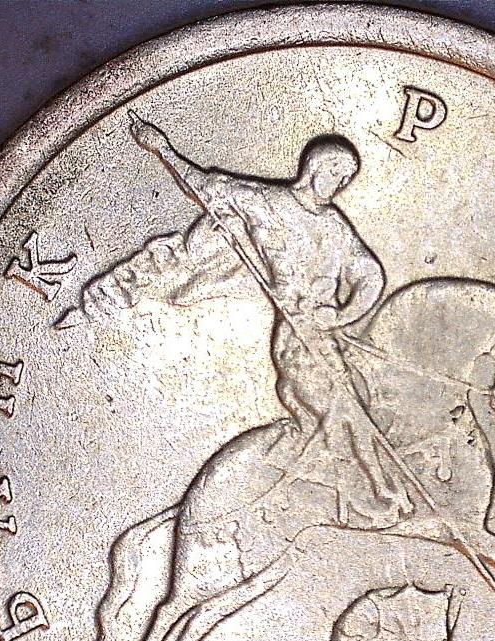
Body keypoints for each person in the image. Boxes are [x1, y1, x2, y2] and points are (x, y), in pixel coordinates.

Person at [77, 120, 413, 526]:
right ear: (316, 169)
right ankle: (370, 492)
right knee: (340, 404)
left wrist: (342, 314)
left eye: (346, 180)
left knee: (366, 397)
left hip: (328, 334)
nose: (341, 185)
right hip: (296, 336)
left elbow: (369, 274)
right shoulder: (267, 203)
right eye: (338, 174)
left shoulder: (334, 225)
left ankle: (369, 484)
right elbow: (206, 187)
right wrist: (162, 148)